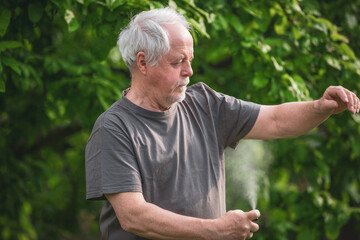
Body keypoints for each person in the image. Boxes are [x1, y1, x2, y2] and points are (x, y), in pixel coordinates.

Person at [85, 7, 360, 240]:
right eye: (178, 61)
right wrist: (213, 230)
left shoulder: (205, 104)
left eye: (190, 60)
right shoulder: (114, 127)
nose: (189, 71)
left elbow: (276, 120)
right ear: (143, 63)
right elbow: (134, 216)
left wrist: (320, 107)